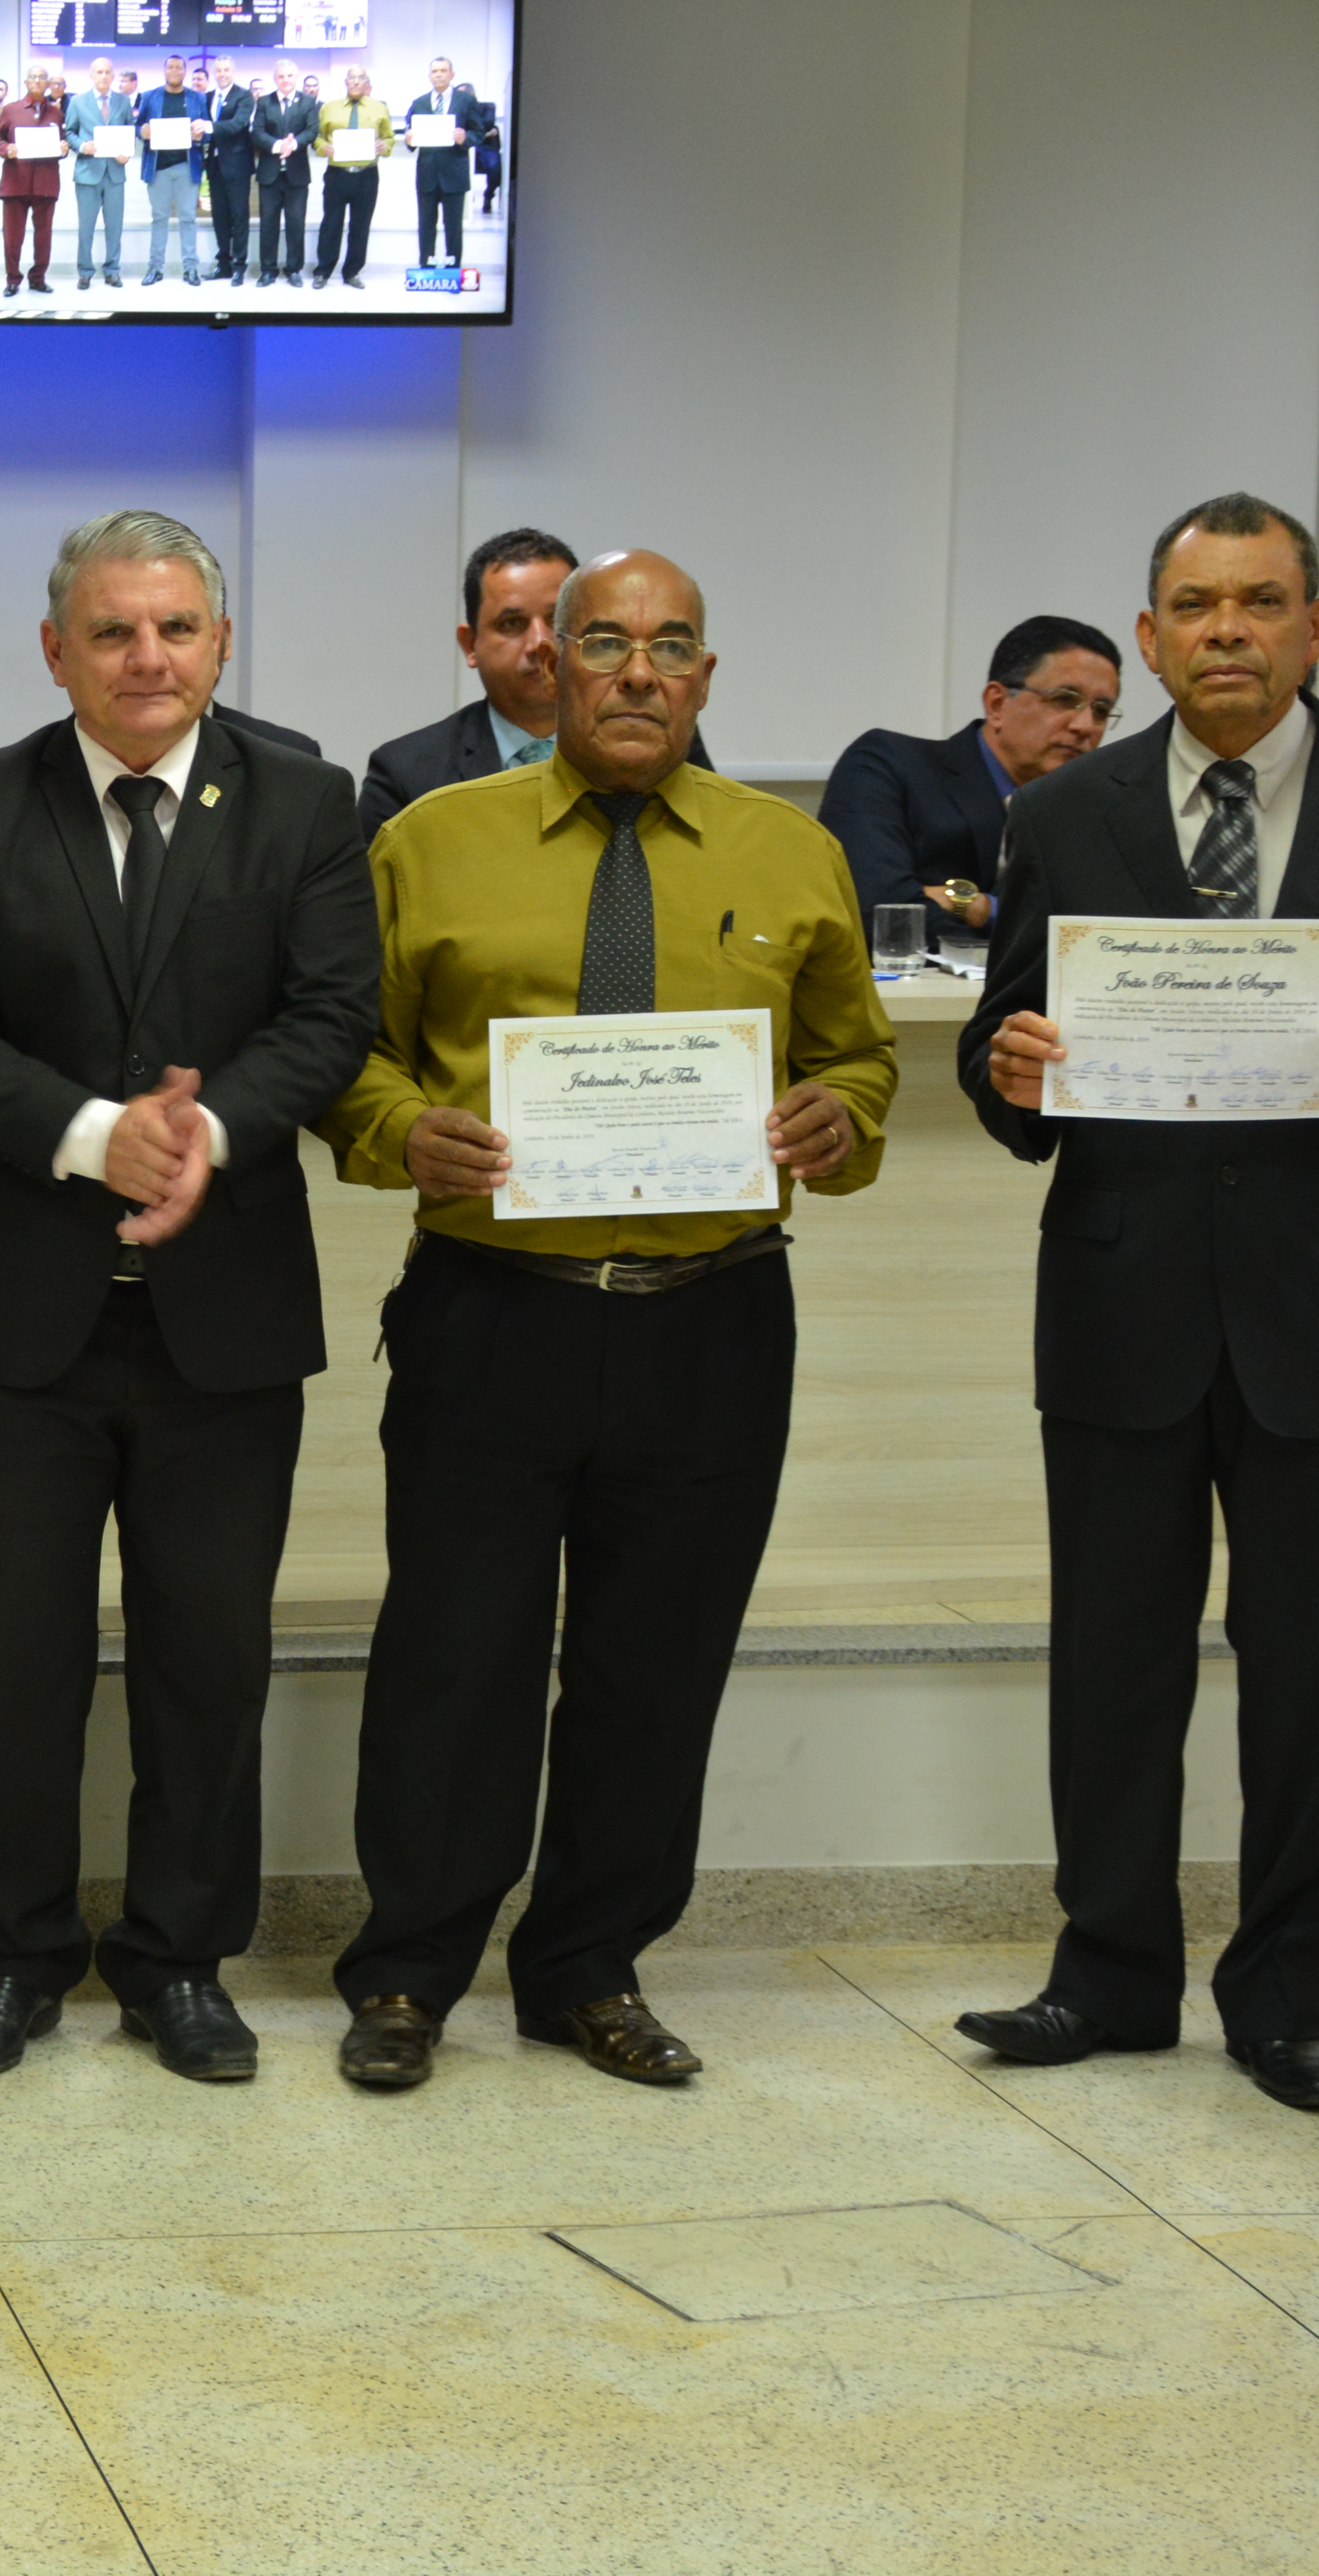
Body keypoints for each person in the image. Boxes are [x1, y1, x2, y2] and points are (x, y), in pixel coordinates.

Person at [955, 493, 1319, 2115]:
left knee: (1311, 1676)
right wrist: (1007, 1075)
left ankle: (1286, 1995)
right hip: (1123, 1305)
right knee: (1113, 1661)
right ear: (1146, 636)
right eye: (1195, 605)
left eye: (1261, 601)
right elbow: (1007, 1049)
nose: (1228, 630)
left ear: (1316, 627)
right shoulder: (1064, 813)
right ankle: (1109, 1974)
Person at [324, 550, 894, 2095]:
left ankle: (587, 1964)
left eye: (671, 647)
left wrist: (838, 1124)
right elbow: (345, 1056)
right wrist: (400, 1133)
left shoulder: (793, 851)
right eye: (603, 644)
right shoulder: (429, 842)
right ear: (544, 668)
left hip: (711, 1321)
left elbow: (859, 1061)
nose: (637, 673)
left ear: (709, 676)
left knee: (658, 1661)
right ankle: (407, 1970)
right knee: (456, 1652)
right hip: (492, 1313)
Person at [0, 509, 380, 2084]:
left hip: (223, 1311)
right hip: (23, 1318)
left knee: (206, 1654)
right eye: (112, 632)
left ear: (219, 645)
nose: (146, 657)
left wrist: (210, 1135)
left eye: (174, 629)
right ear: (57, 650)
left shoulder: (305, 801)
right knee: (9, 1654)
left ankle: (179, 1960)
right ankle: (9, 1960)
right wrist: (109, 1139)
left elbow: (331, 1015)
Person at [818, 615, 1121, 945]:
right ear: (997, 704)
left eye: (1101, 711)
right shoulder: (887, 764)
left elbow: (1103, 938)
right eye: (1065, 699)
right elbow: (883, 916)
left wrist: (975, 906)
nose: (1085, 726)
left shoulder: (1096, 813)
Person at [355, 527, 576, 836]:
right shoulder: (406, 775)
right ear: (470, 644)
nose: (539, 644)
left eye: (557, 621)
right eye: (512, 624)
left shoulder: (631, 756)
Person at [312, 67, 395, 289]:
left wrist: (384, 146)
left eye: (361, 78)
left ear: (367, 82)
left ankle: (352, 272)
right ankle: (323, 272)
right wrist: (323, 148)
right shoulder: (329, 108)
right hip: (337, 175)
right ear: (346, 82)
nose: (356, 82)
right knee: (331, 224)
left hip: (367, 176)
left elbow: (389, 138)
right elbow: (317, 138)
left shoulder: (380, 108)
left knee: (360, 226)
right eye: (352, 78)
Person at [65, 67, 139, 289]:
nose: (103, 76)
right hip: (88, 173)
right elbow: (69, 132)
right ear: (92, 75)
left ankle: (112, 270)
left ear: (113, 76)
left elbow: (130, 131)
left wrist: (128, 152)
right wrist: (81, 146)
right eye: (99, 72)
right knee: (86, 227)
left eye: (108, 72)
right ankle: (85, 272)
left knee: (115, 226)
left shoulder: (123, 101)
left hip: (115, 172)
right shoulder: (78, 102)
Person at [137, 58, 210, 285]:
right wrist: (143, 131)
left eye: (180, 67)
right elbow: (137, 128)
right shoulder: (151, 96)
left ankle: (190, 269)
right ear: (164, 70)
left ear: (185, 71)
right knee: (159, 218)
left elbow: (207, 131)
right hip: (158, 167)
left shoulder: (197, 98)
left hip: (187, 167)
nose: (175, 71)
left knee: (188, 218)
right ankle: (155, 268)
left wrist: (201, 135)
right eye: (171, 67)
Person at [0, 72, 64, 299]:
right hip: (16, 183)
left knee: (44, 236)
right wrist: (7, 150)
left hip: (46, 183)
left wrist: (64, 148)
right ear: (25, 82)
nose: (37, 81)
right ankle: (13, 279)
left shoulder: (56, 112)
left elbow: (61, 143)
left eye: (42, 78)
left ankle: (38, 279)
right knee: (13, 237)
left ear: (48, 84)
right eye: (32, 77)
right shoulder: (11, 110)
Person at [403, 58, 480, 267]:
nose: (439, 75)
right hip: (427, 174)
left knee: (454, 226)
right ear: (430, 76)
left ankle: (453, 268)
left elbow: (479, 131)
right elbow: (409, 135)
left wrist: (466, 138)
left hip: (455, 173)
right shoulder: (419, 103)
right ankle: (426, 268)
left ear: (452, 75)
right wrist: (409, 140)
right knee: (426, 225)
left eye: (443, 71)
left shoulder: (466, 101)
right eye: (435, 71)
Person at [249, 65, 319, 286]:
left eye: (290, 76)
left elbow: (312, 131)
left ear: (296, 78)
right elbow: (257, 132)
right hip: (270, 175)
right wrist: (279, 145)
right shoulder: (264, 102)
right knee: (268, 224)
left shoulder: (308, 102)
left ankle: (293, 269)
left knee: (296, 223)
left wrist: (294, 144)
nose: (286, 80)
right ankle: (268, 270)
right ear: (275, 79)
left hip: (297, 175)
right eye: (281, 76)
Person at [202, 58, 256, 284]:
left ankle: (239, 267)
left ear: (233, 71)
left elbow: (239, 124)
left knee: (239, 217)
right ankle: (223, 265)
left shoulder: (244, 96)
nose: (222, 74)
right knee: (220, 218)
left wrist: (209, 127)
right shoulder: (207, 97)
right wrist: (200, 132)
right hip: (214, 167)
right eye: (219, 71)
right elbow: (204, 128)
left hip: (238, 166)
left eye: (226, 70)